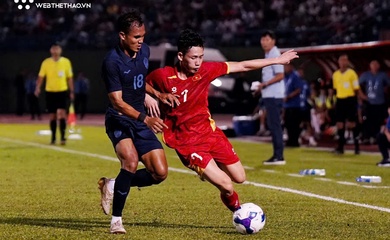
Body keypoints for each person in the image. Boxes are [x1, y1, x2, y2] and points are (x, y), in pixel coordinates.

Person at [146, 29, 297, 214]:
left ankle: (209, 170)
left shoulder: (206, 70)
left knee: (240, 177)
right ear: (180, 55)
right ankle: (238, 213)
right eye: (193, 57)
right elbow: (138, 84)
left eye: (201, 57)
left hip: (211, 134)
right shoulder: (163, 76)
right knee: (226, 185)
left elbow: (242, 66)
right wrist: (150, 96)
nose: (198, 62)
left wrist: (276, 60)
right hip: (187, 142)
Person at [98, 11, 180, 234]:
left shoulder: (144, 51)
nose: (140, 41)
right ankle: (116, 220)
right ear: (122, 35)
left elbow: (139, 80)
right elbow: (117, 102)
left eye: (143, 36)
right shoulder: (112, 62)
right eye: (136, 37)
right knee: (131, 162)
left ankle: (113, 184)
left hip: (141, 119)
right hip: (120, 120)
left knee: (160, 173)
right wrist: (146, 118)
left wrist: (158, 94)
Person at [254, 30, 286, 165]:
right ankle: (277, 155)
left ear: (273, 41)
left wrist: (264, 84)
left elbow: (280, 75)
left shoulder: (275, 54)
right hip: (270, 95)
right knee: (273, 125)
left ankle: (278, 156)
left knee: (275, 126)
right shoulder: (268, 54)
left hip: (274, 95)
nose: (264, 42)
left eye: (267, 39)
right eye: (262, 39)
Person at [35, 43, 74, 145]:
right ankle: (53, 138)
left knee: (62, 114)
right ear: (51, 50)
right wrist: (38, 88)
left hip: (62, 91)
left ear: (60, 50)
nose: (55, 51)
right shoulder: (46, 63)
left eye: (57, 49)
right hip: (50, 92)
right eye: (54, 49)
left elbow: (69, 78)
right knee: (52, 116)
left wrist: (72, 91)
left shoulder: (66, 62)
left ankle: (62, 137)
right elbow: (41, 77)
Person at [332, 54, 361, 154]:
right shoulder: (335, 74)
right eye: (341, 60)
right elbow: (335, 89)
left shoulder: (352, 74)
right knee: (340, 123)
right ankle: (340, 147)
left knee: (351, 123)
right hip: (340, 99)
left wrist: (358, 101)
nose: (343, 62)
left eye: (345, 61)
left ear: (347, 62)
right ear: (338, 62)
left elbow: (356, 88)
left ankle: (356, 146)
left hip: (350, 99)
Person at [359, 60, 390, 144]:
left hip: (380, 102)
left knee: (379, 121)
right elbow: (357, 86)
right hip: (369, 102)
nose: (374, 66)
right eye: (373, 64)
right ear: (370, 65)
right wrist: (362, 96)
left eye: (376, 64)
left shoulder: (383, 75)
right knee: (368, 120)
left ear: (379, 66)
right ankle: (367, 137)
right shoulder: (365, 75)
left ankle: (377, 137)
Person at [283, 63, 303, 147]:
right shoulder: (286, 77)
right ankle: (290, 141)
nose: (285, 68)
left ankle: (295, 142)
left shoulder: (295, 76)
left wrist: (289, 96)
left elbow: (298, 89)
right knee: (288, 124)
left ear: (291, 66)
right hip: (287, 105)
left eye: (286, 66)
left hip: (294, 105)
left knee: (294, 124)